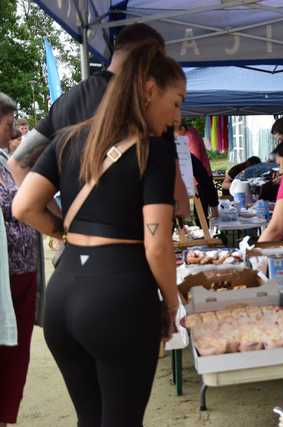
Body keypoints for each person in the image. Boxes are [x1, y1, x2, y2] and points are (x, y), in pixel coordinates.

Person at [12, 44, 183, 426]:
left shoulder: (68, 138)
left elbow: (23, 206)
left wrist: (63, 231)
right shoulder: (153, 151)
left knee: (89, 419)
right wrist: (172, 304)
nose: (177, 116)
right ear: (150, 90)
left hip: (64, 294)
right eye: (176, 102)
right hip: (118, 299)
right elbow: (157, 245)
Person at [8, 23, 189, 218]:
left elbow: (18, 165)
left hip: (78, 243)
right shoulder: (150, 105)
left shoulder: (65, 102)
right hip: (137, 241)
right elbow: (178, 200)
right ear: (149, 58)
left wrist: (65, 226)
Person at [0, 93, 38, 427]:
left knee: (16, 352)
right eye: (9, 122)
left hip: (22, 272)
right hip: (4, 276)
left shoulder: (4, 160)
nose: (13, 130)